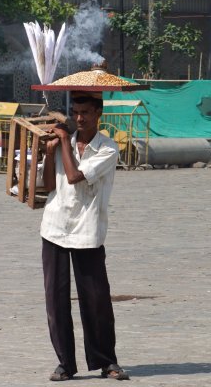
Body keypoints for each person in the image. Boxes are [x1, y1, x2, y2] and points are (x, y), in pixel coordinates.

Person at [40, 92, 129, 381]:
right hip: (55, 225)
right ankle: (65, 362)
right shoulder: (63, 142)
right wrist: (48, 152)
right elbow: (50, 184)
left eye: (86, 113)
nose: (80, 118)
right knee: (56, 299)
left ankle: (107, 360)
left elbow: (76, 176)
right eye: (76, 112)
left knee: (96, 299)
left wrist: (64, 141)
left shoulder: (107, 149)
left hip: (87, 230)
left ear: (98, 114)